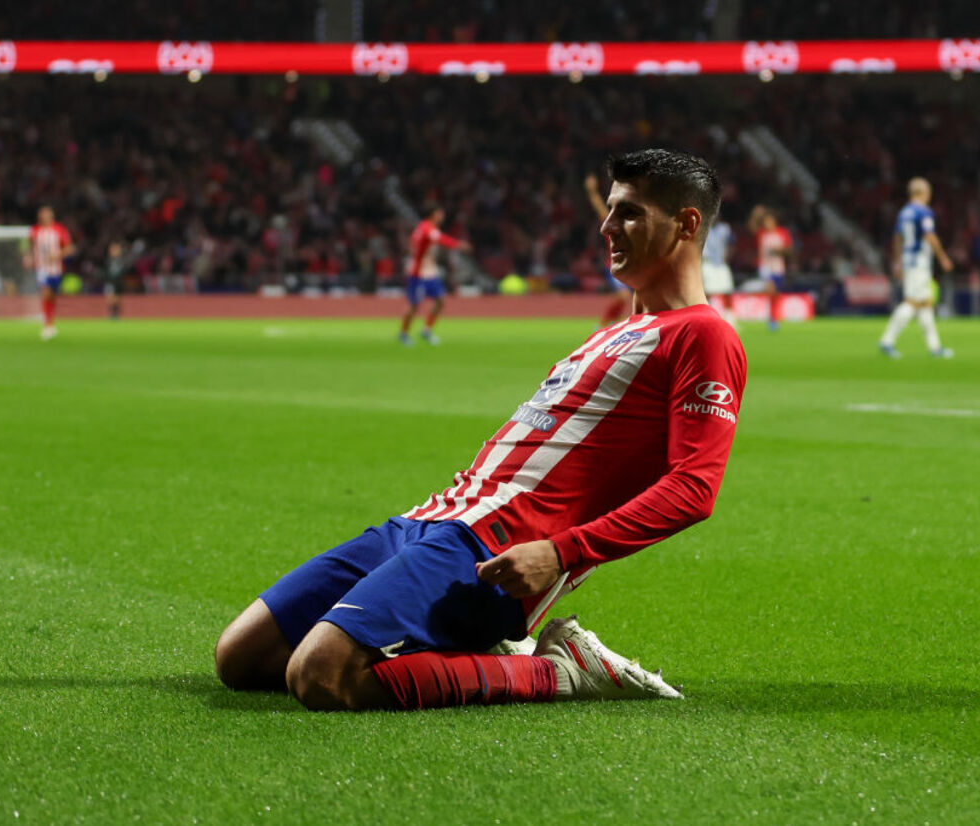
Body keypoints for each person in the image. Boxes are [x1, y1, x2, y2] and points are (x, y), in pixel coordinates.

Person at [215, 148, 747, 711]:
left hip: (499, 547)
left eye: (630, 213)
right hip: (431, 519)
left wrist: (562, 553)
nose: (606, 226)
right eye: (611, 209)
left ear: (687, 224)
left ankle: (558, 670)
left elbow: (694, 487)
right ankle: (475, 653)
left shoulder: (702, 336)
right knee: (241, 658)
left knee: (322, 676)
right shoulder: (610, 332)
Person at [879, 178, 955, 358]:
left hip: (908, 260)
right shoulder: (923, 212)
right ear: (923, 193)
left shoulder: (904, 212)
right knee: (913, 302)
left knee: (926, 303)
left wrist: (897, 262)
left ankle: (934, 347)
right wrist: (943, 257)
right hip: (919, 262)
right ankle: (887, 340)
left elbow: (897, 238)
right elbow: (930, 235)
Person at [398, 206, 471, 346]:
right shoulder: (427, 229)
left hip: (429, 271)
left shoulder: (422, 228)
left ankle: (426, 330)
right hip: (418, 272)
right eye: (440, 213)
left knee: (441, 300)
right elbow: (441, 239)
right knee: (414, 305)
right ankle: (404, 333)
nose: (442, 216)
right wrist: (458, 244)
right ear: (433, 215)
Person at [586, 173, 633, 326]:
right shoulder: (613, 225)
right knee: (623, 296)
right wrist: (592, 191)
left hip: (630, 267)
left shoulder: (634, 228)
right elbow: (600, 210)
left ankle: (615, 324)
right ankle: (602, 325)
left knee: (631, 299)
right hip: (614, 265)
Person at [24, 206, 75, 340]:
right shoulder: (35, 230)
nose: (44, 217)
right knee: (45, 292)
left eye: (47, 215)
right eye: (42, 215)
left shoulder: (59, 230)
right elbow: (28, 246)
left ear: (51, 216)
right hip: (41, 267)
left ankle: (50, 320)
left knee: (52, 295)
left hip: (56, 268)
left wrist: (58, 254)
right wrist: (28, 257)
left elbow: (70, 248)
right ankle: (47, 324)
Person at [749, 206, 791, 331]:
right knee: (770, 290)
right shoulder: (761, 234)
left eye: (769, 221)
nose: (767, 224)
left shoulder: (782, 233)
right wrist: (755, 215)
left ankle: (773, 318)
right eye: (765, 222)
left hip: (778, 268)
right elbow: (751, 227)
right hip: (765, 268)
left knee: (775, 295)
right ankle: (772, 319)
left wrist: (780, 251)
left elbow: (789, 251)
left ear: (774, 222)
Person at [702, 218, 737, 328]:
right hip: (707, 263)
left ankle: (730, 317)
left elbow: (732, 243)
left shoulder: (725, 228)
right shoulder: (703, 228)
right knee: (707, 293)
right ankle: (708, 317)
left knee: (727, 291)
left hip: (721, 263)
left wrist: (728, 256)